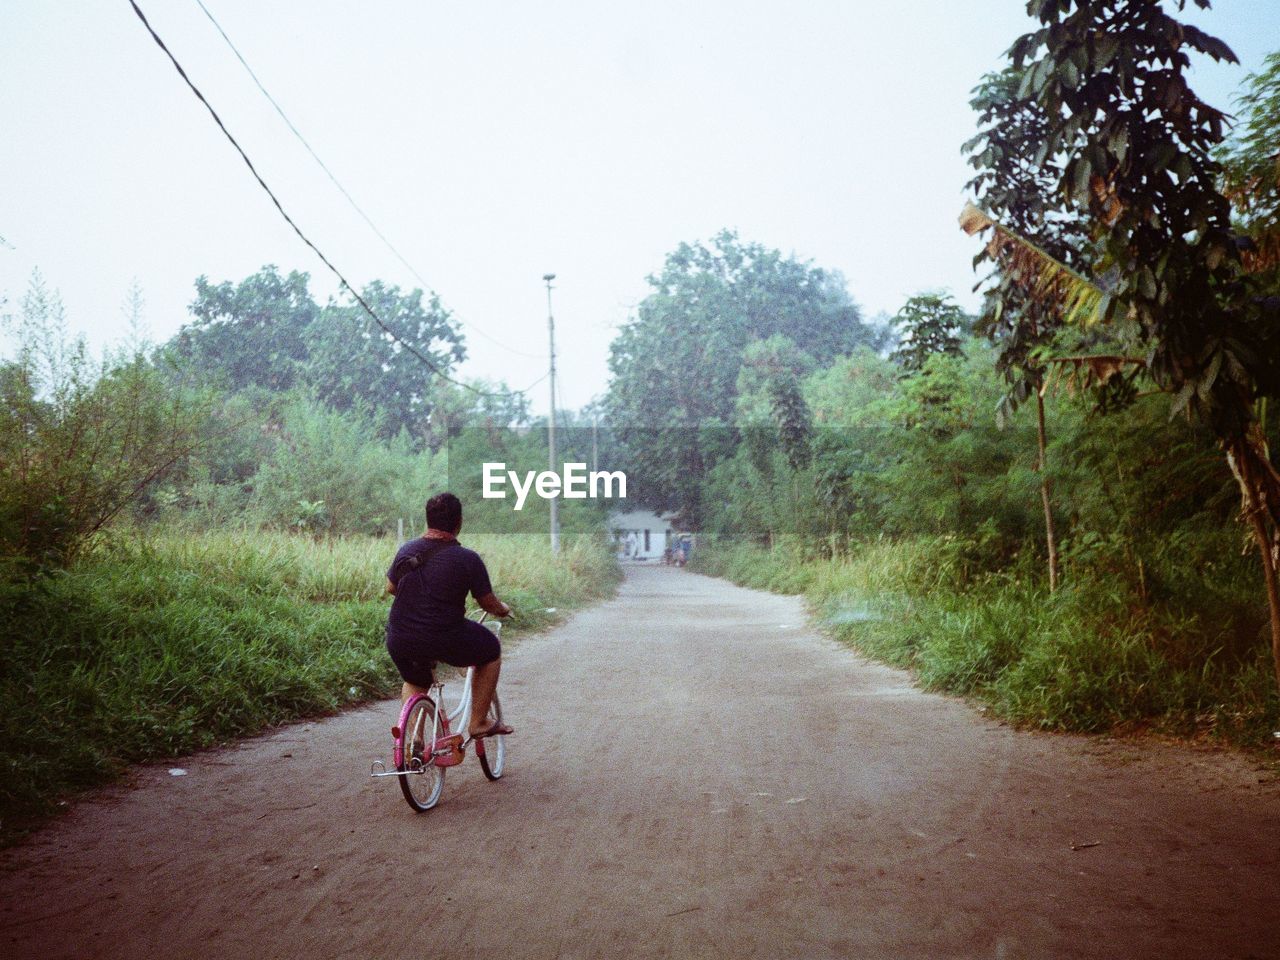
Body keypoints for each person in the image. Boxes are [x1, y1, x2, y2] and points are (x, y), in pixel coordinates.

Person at [384, 491, 514, 740]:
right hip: (444, 636)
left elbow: (391, 587)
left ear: (428, 520)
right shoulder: (467, 559)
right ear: (459, 522)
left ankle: (414, 743)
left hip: (400, 636)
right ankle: (478, 722)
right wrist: (503, 610)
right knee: (490, 650)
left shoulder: (407, 550)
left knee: (414, 679)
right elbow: (487, 602)